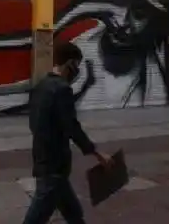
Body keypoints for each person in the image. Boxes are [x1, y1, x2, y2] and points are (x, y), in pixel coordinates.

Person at [22, 41, 111, 224]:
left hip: (45, 162)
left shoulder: (41, 86)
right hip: (53, 167)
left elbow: (34, 123)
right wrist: (96, 152)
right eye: (77, 66)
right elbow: (71, 126)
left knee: (74, 214)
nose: (77, 71)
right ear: (70, 63)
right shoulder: (62, 89)